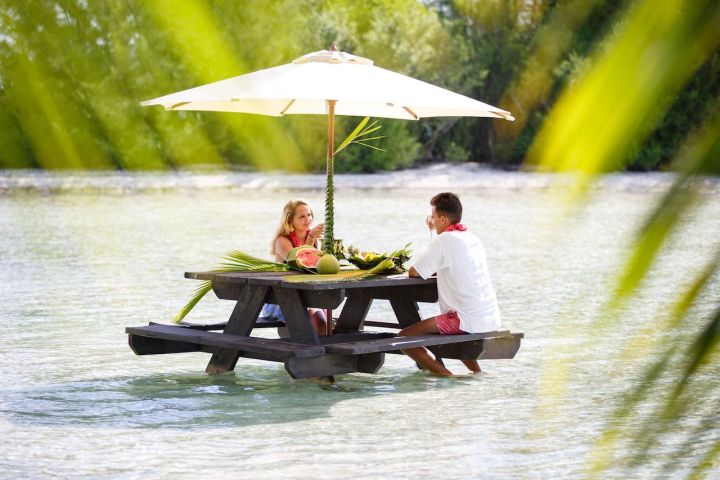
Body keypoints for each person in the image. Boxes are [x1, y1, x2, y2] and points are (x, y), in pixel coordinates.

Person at [399, 192, 501, 376]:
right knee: (453, 323)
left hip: (464, 320)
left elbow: (414, 272)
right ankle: (477, 373)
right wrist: (433, 232)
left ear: (444, 219)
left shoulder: (445, 240)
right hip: (489, 317)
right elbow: (439, 261)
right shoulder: (472, 238)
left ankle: (448, 377)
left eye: (434, 216)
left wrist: (433, 235)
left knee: (404, 338)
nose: (432, 220)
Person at [260, 199, 329, 336]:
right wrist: (310, 237)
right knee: (307, 321)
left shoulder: (314, 241)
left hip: (304, 296)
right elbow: (299, 263)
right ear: (290, 221)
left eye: (309, 215)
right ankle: (306, 352)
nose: (307, 219)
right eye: (302, 216)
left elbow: (312, 269)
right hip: (279, 299)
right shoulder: (282, 241)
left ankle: (320, 354)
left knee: (321, 322)